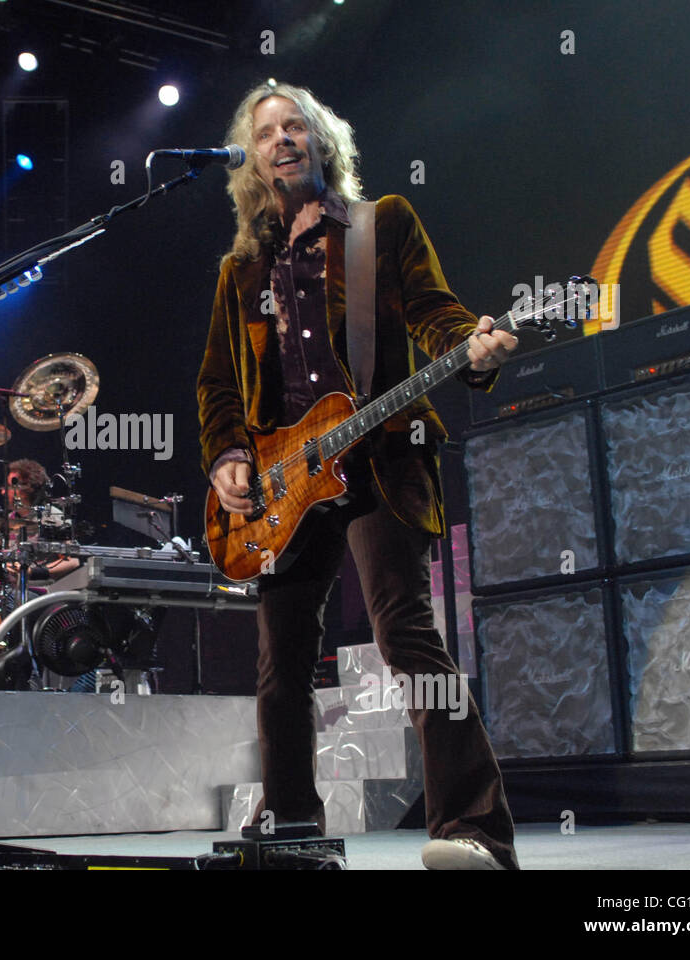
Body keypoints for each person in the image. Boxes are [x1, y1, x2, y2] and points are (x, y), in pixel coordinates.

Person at [197, 82, 520, 870]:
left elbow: (434, 312)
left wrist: (470, 345)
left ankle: (472, 833)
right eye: (267, 131)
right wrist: (230, 457)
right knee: (280, 668)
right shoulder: (241, 269)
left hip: (380, 459)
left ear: (321, 139)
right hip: (284, 486)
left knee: (407, 639)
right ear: (252, 161)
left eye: (295, 125)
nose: (283, 138)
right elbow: (217, 384)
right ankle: (293, 833)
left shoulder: (382, 225)